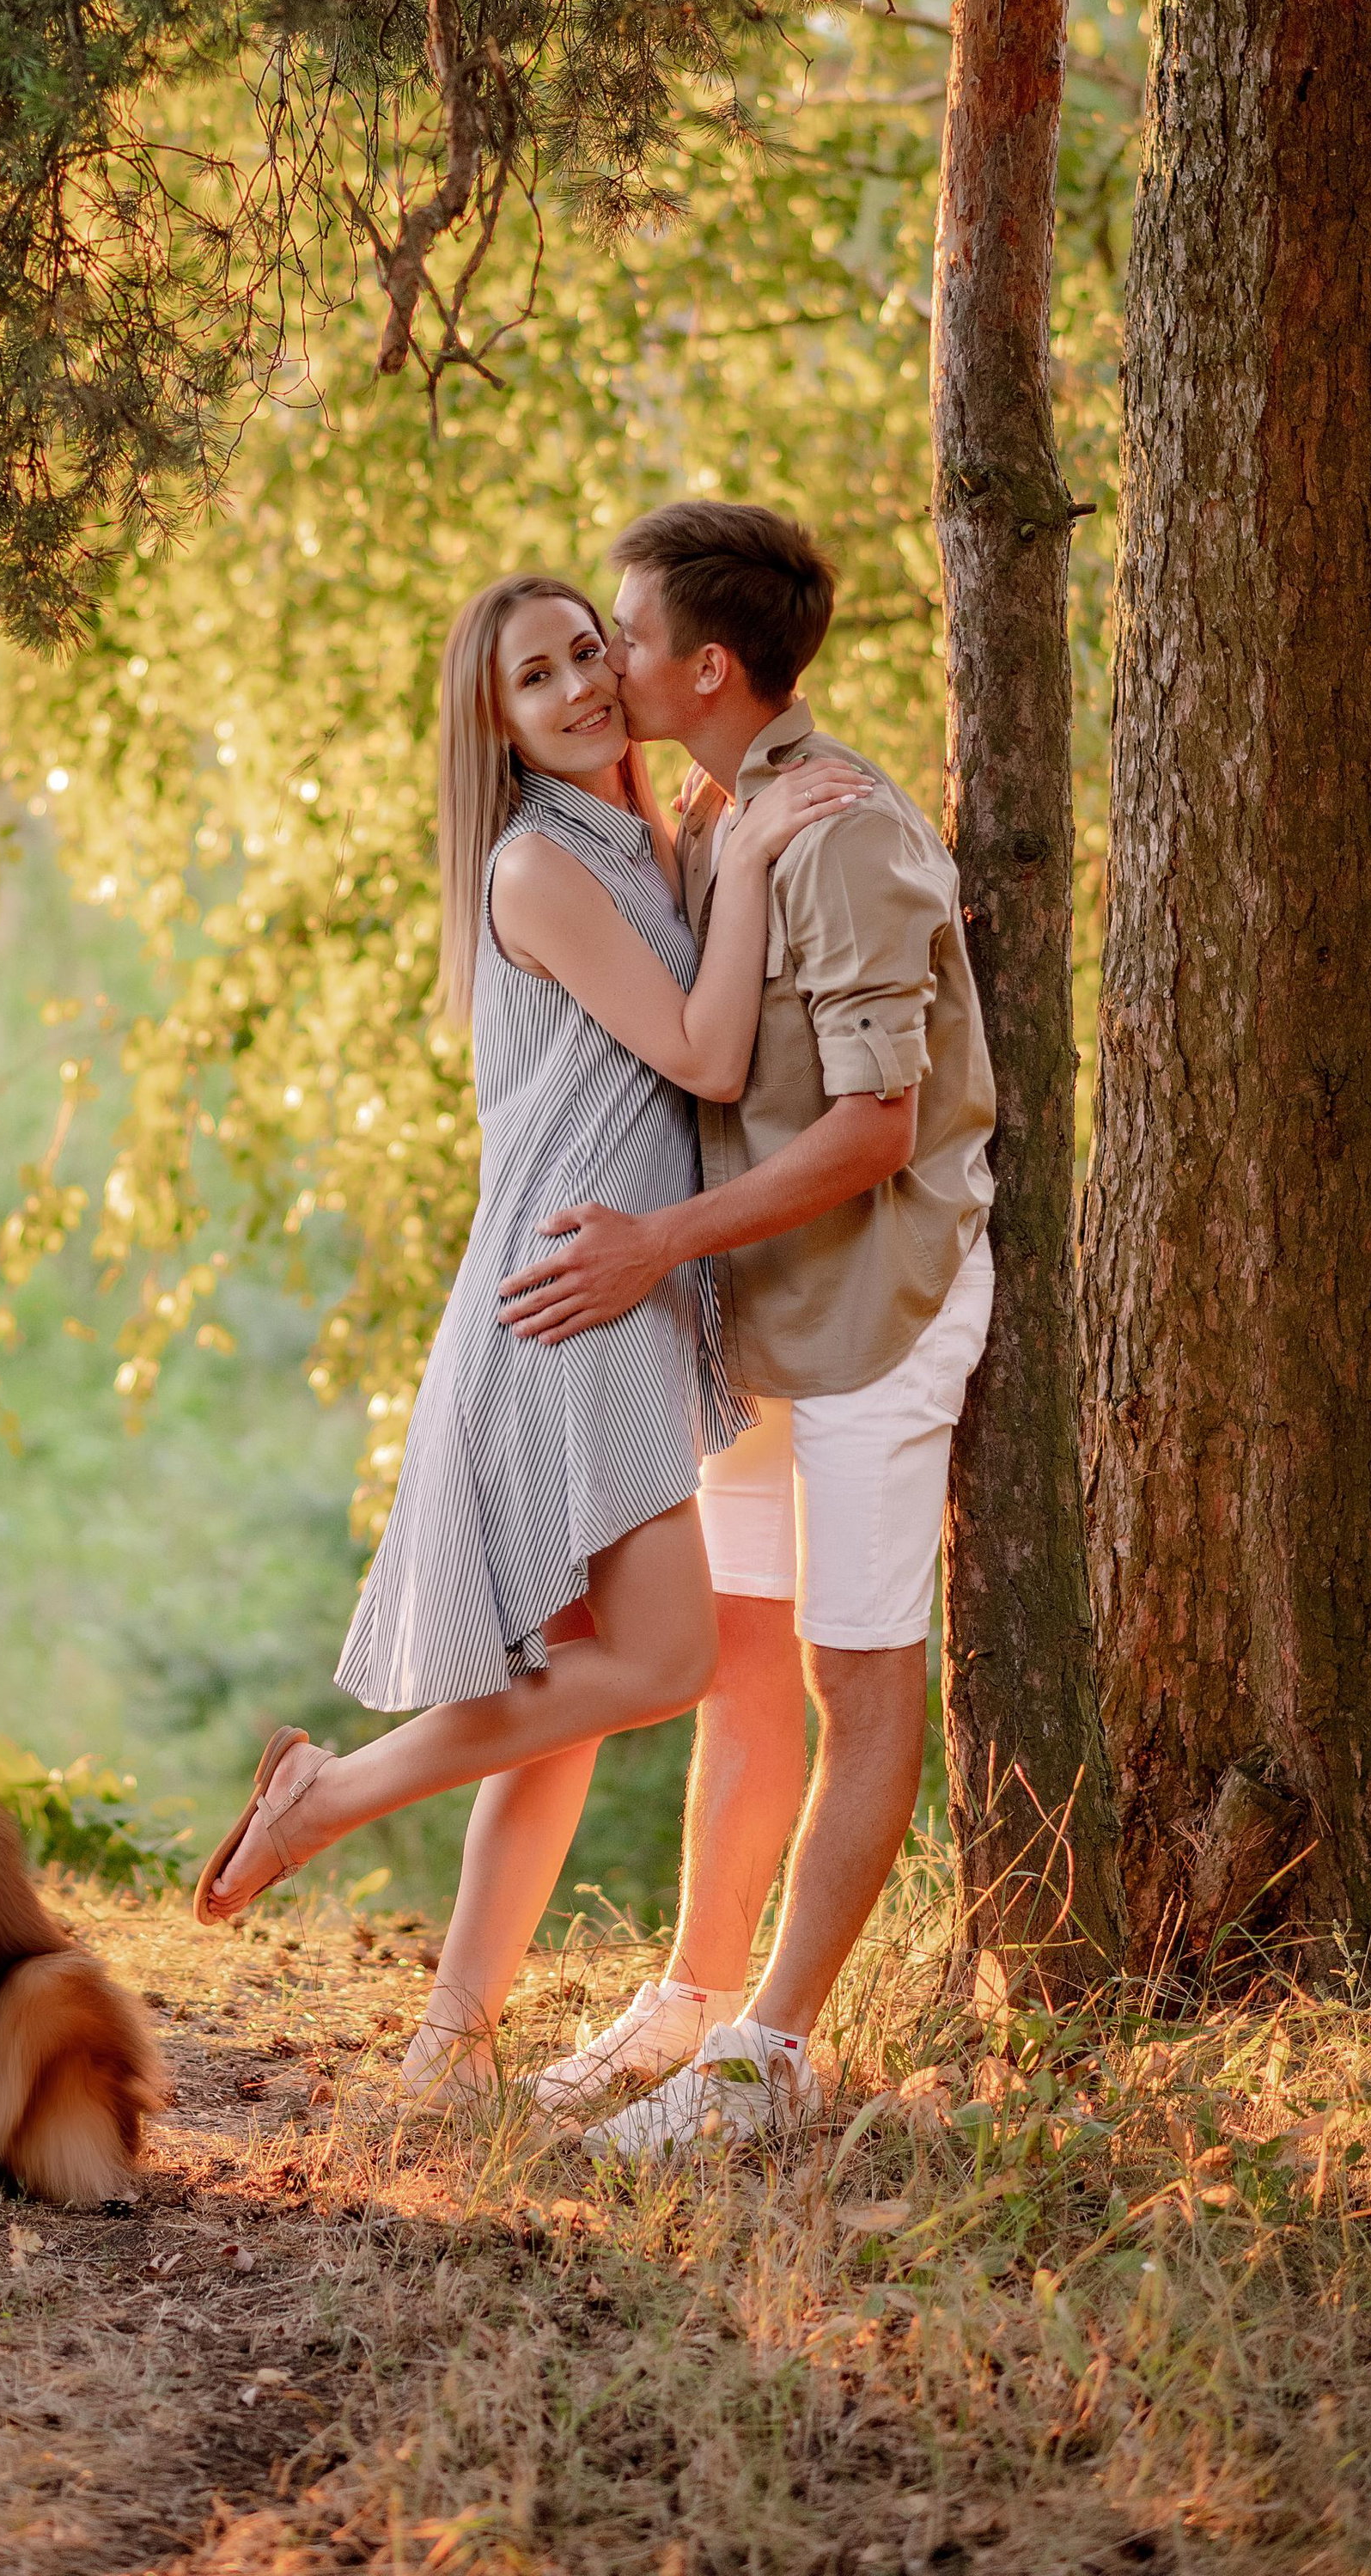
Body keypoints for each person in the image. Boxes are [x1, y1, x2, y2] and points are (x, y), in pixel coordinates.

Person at [190, 571, 864, 2106]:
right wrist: (754, 854)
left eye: (585, 655)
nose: (573, 689)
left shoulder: (640, 844)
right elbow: (703, 1048)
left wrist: (736, 841)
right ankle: (326, 1796)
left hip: (611, 1285)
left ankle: (450, 2049)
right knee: (670, 1657)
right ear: (492, 722)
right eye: (532, 679)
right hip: (579, 1293)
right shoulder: (535, 866)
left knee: (567, 1692)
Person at [498, 501, 996, 2157]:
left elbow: (871, 1135)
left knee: (857, 1674)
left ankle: (769, 2056)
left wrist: (655, 1247)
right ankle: (700, 1993)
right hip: (755, 1312)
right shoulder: (722, 812)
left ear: (705, 668)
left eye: (622, 637)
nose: (603, 665)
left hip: (871, 1308)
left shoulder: (844, 831)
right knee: (737, 1663)